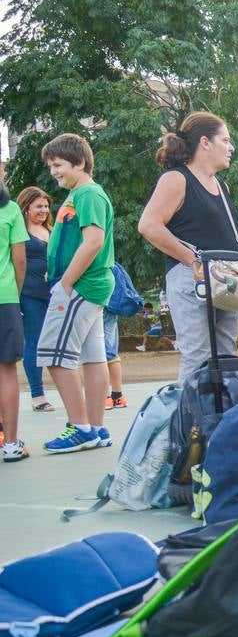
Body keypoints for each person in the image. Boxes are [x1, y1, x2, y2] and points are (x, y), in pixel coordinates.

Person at [137, 112, 238, 385]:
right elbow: (149, 225)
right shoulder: (177, 179)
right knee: (198, 356)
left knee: (226, 356)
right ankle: (191, 424)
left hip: (225, 278)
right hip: (192, 277)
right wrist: (193, 260)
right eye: (225, 140)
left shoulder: (222, 186)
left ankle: (221, 420)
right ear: (205, 143)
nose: (231, 147)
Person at [35, 134, 115, 453]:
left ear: (79, 163)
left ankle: (80, 427)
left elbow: (93, 241)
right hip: (89, 285)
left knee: (54, 355)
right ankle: (95, 427)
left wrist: (66, 283)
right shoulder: (77, 195)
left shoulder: (87, 193)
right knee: (93, 358)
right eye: (51, 166)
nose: (54, 171)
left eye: (58, 165)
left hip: (81, 285)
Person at [0, 162, 29, 461]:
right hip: (4, 296)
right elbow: (19, 261)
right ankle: (10, 444)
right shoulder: (9, 211)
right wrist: (14, 293)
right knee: (6, 369)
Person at [15, 187, 53, 412]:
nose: (44, 210)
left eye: (47, 206)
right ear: (26, 207)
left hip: (54, 294)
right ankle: (37, 394)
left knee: (56, 343)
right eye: (39, 206)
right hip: (29, 294)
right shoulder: (20, 231)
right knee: (35, 341)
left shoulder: (51, 229)